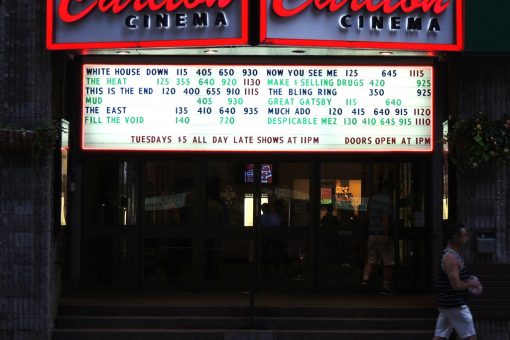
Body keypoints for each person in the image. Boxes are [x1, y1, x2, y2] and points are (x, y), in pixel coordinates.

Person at [433, 222, 483, 340]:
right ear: (455, 237)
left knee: (440, 337)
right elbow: (456, 285)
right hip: (455, 304)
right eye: (464, 235)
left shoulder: (451, 255)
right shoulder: (451, 257)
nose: (467, 238)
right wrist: (472, 283)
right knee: (471, 337)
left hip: (447, 303)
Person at [358, 180, 394, 295]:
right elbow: (385, 218)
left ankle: (365, 281)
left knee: (371, 260)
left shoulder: (372, 200)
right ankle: (385, 286)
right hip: (382, 234)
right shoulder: (387, 201)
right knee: (388, 262)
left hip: (372, 234)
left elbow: (367, 215)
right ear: (389, 190)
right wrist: (387, 234)